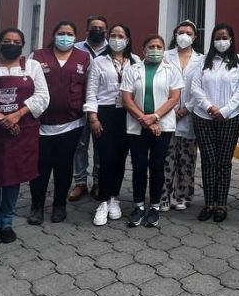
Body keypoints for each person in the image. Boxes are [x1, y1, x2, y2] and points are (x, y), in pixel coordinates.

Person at [0, 28, 49, 246]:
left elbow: (42, 97)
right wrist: (1, 119)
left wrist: (17, 115)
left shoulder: (32, 67)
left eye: (16, 41)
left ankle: (7, 222)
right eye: (6, 40)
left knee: (14, 178)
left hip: (21, 132)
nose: (11, 44)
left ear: (22, 45)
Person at [30, 21, 90, 225]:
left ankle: (59, 205)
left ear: (76, 37)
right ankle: (37, 206)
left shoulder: (84, 58)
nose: (65, 37)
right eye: (61, 33)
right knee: (41, 166)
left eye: (70, 33)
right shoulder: (38, 57)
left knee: (64, 166)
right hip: (42, 124)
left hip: (71, 124)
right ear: (54, 34)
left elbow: (88, 88)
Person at [120, 35, 183, 227]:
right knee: (138, 166)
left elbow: (174, 98)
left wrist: (154, 117)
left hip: (162, 127)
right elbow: (126, 99)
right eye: (151, 46)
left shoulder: (171, 70)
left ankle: (154, 206)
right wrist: (144, 119)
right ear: (143, 49)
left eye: (159, 46)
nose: (155, 49)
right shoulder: (132, 69)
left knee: (156, 166)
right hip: (137, 126)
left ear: (164, 49)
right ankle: (138, 206)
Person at [189, 23, 239, 222]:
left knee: (223, 162)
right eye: (217, 38)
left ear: (231, 40)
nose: (221, 41)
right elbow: (195, 86)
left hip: (229, 119)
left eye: (225, 37)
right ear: (212, 40)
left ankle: (221, 204)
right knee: (208, 161)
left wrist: (224, 111)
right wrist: (209, 107)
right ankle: (208, 203)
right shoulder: (203, 60)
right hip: (203, 118)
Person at [84, 23, 138, 226]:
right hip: (105, 114)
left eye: (121, 35)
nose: (117, 39)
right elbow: (91, 91)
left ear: (128, 39)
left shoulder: (135, 61)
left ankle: (114, 198)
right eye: (113, 35)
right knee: (105, 159)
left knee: (120, 159)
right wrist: (93, 117)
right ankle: (103, 201)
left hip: (128, 114)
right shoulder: (99, 62)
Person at [161, 20, 204, 211]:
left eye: (188, 33)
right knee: (165, 158)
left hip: (190, 115)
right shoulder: (164, 56)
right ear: (175, 34)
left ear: (195, 37)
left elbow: (201, 88)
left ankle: (182, 196)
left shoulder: (201, 60)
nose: (184, 36)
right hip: (166, 114)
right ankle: (162, 196)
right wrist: (169, 110)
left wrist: (186, 109)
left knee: (187, 159)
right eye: (181, 32)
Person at [69, 14, 108, 201]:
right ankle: (80, 182)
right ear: (87, 30)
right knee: (80, 144)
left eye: (101, 28)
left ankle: (99, 182)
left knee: (101, 145)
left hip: (103, 107)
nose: (98, 31)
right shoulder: (75, 49)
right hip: (78, 105)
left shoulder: (113, 49)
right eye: (94, 27)